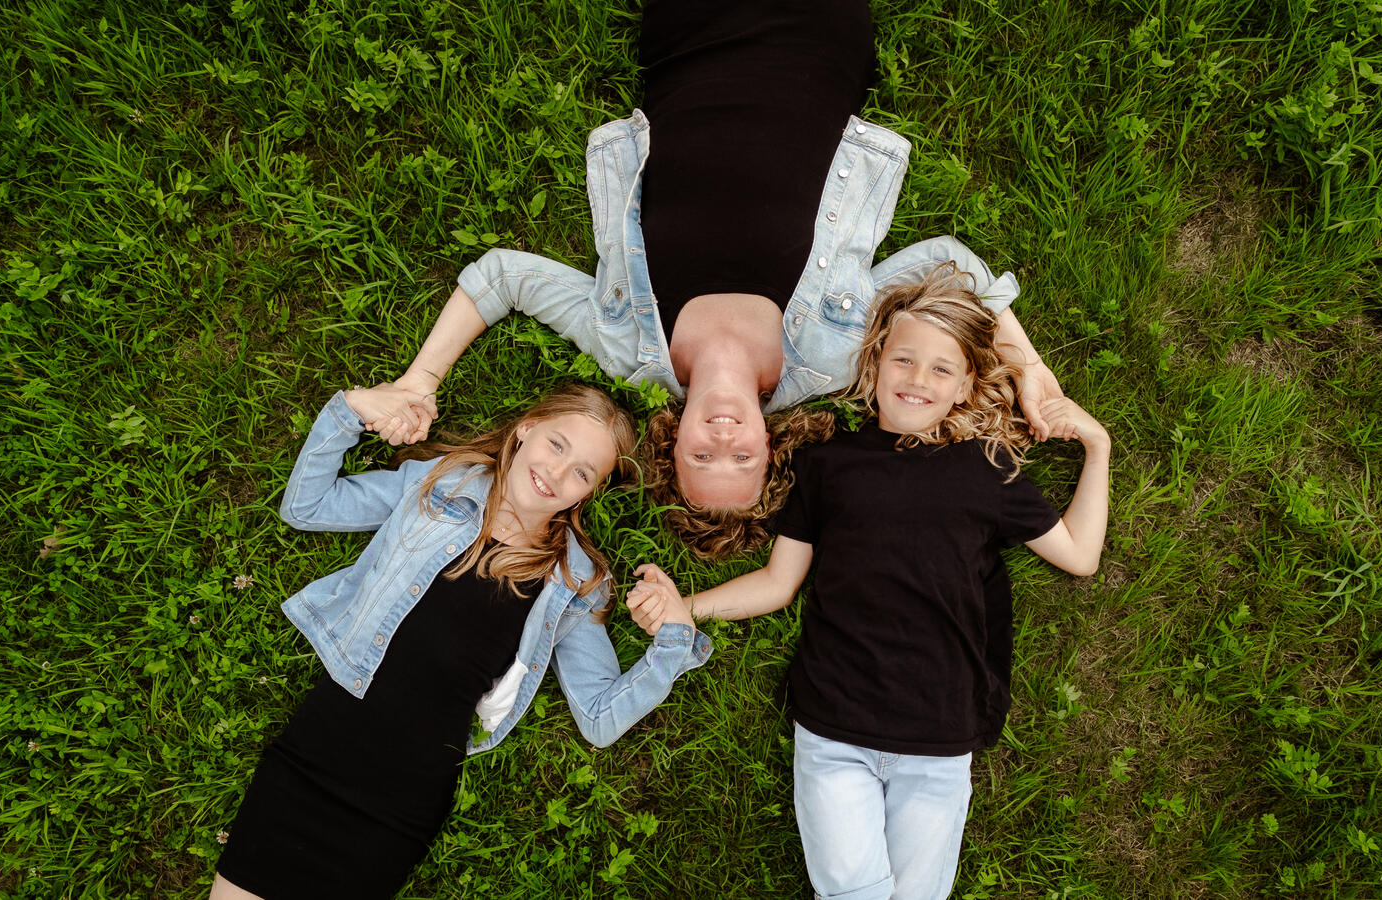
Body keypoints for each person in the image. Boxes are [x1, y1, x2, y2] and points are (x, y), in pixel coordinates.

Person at [355, 0, 1065, 559]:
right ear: (770, 443)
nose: (724, 433)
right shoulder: (835, 354)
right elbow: (952, 263)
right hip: (817, 42)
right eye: (743, 454)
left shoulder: (625, 341)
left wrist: (419, 382)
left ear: (670, 441)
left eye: (703, 454)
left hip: (686, 41)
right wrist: (1028, 367)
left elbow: (502, 277)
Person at [625, 263, 1111, 900]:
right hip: (833, 727)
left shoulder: (987, 470)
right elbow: (777, 583)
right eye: (904, 360)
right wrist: (686, 606)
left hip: (941, 734)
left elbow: (1079, 556)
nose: (917, 380)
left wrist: (1098, 448)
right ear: (877, 363)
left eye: (941, 370)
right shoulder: (828, 465)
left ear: (966, 387)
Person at [209, 384, 709, 900]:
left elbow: (600, 718)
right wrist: (352, 408)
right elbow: (307, 506)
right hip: (313, 758)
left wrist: (674, 640)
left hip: (399, 803)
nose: (557, 473)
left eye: (582, 471)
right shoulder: (439, 483)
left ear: (589, 492)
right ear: (526, 430)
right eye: (556, 444)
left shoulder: (574, 581)